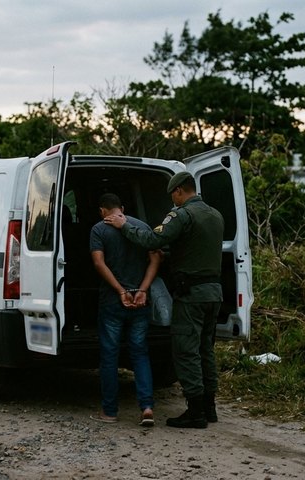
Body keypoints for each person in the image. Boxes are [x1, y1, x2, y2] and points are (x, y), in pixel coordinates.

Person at [103, 171, 224, 429]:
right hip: (214, 293)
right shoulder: (215, 214)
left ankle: (195, 412)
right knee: (205, 350)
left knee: (186, 351)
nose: (173, 200)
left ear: (179, 190)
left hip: (191, 295)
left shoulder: (182, 215)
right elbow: (193, 249)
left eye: (173, 195)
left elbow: (152, 239)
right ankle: (209, 407)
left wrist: (124, 225)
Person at [89, 193, 161, 427]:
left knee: (109, 355)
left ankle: (110, 412)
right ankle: (147, 407)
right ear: (122, 207)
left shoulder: (98, 230)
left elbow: (99, 263)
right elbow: (155, 259)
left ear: (102, 210)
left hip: (113, 301)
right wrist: (143, 289)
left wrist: (121, 290)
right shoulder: (142, 226)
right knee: (140, 353)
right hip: (139, 300)